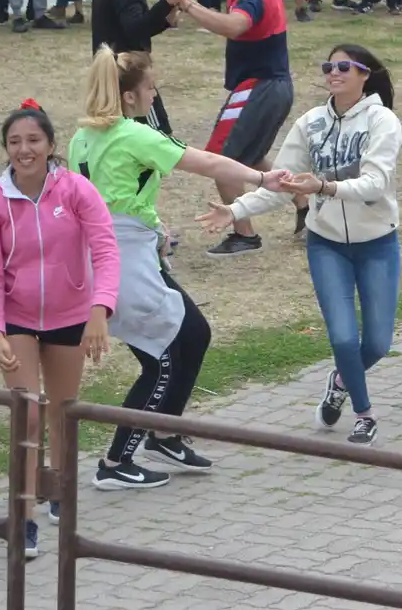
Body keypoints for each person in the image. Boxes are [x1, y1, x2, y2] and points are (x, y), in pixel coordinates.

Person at [73, 48, 286, 487]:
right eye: (150, 87)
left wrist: (149, 223)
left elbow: (109, 197)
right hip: (124, 260)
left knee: (193, 335)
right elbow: (206, 161)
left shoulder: (83, 136)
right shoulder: (132, 133)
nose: (154, 95)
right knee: (163, 358)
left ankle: (164, 434)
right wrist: (262, 178)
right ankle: (115, 463)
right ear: (129, 96)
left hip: (113, 253)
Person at [201, 44, 402, 447]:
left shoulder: (383, 121)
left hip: (378, 243)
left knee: (378, 343)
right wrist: (236, 209)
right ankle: (364, 415)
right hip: (326, 244)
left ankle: (341, 380)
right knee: (343, 338)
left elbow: (375, 184)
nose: (334, 72)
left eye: (344, 66)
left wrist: (323, 186)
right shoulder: (310, 123)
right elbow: (279, 184)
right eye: (329, 66)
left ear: (365, 75)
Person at [0, 101, 119, 557]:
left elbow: (106, 251)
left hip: (71, 314)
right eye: (15, 142)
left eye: (34, 140)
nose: (25, 149)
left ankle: (56, 488)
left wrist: (100, 310)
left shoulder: (76, 189)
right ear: (6, 149)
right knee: (28, 415)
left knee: (60, 412)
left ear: (51, 144)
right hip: (16, 318)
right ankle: (24, 517)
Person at [162, 0, 296, 256]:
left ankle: (244, 235)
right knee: (253, 156)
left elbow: (234, 27)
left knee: (224, 159)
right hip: (270, 85)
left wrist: (187, 4)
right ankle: (305, 202)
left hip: (260, 87)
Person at [91, 0, 178, 133]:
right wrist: (166, 3)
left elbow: (131, 29)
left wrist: (166, 19)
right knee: (158, 137)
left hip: (114, 76)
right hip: (130, 78)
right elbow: (136, 29)